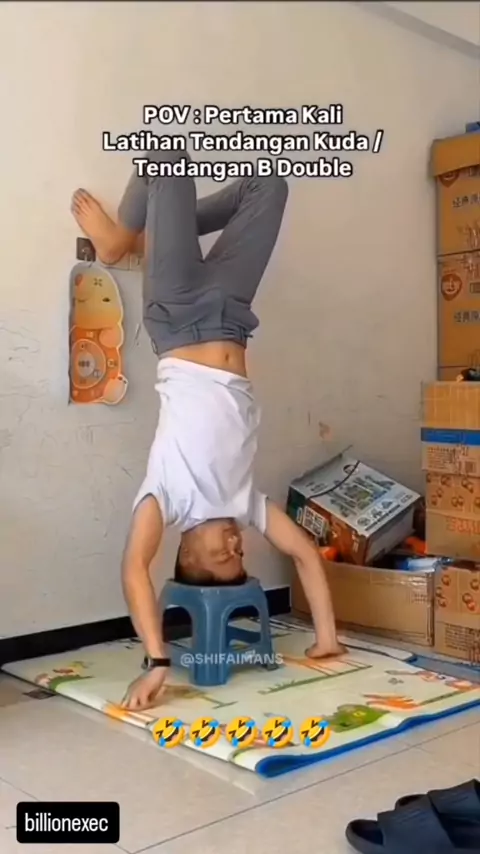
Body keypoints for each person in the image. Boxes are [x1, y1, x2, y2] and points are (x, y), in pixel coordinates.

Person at [71, 149, 345, 711]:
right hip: (231, 313)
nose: (237, 546)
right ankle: (155, 234)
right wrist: (326, 637)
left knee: (168, 158)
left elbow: (133, 569)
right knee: (268, 183)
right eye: (242, 556)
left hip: (175, 315)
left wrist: (157, 661)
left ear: (190, 558)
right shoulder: (246, 504)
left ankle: (121, 242)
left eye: (224, 558)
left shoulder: (167, 498)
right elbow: (305, 554)